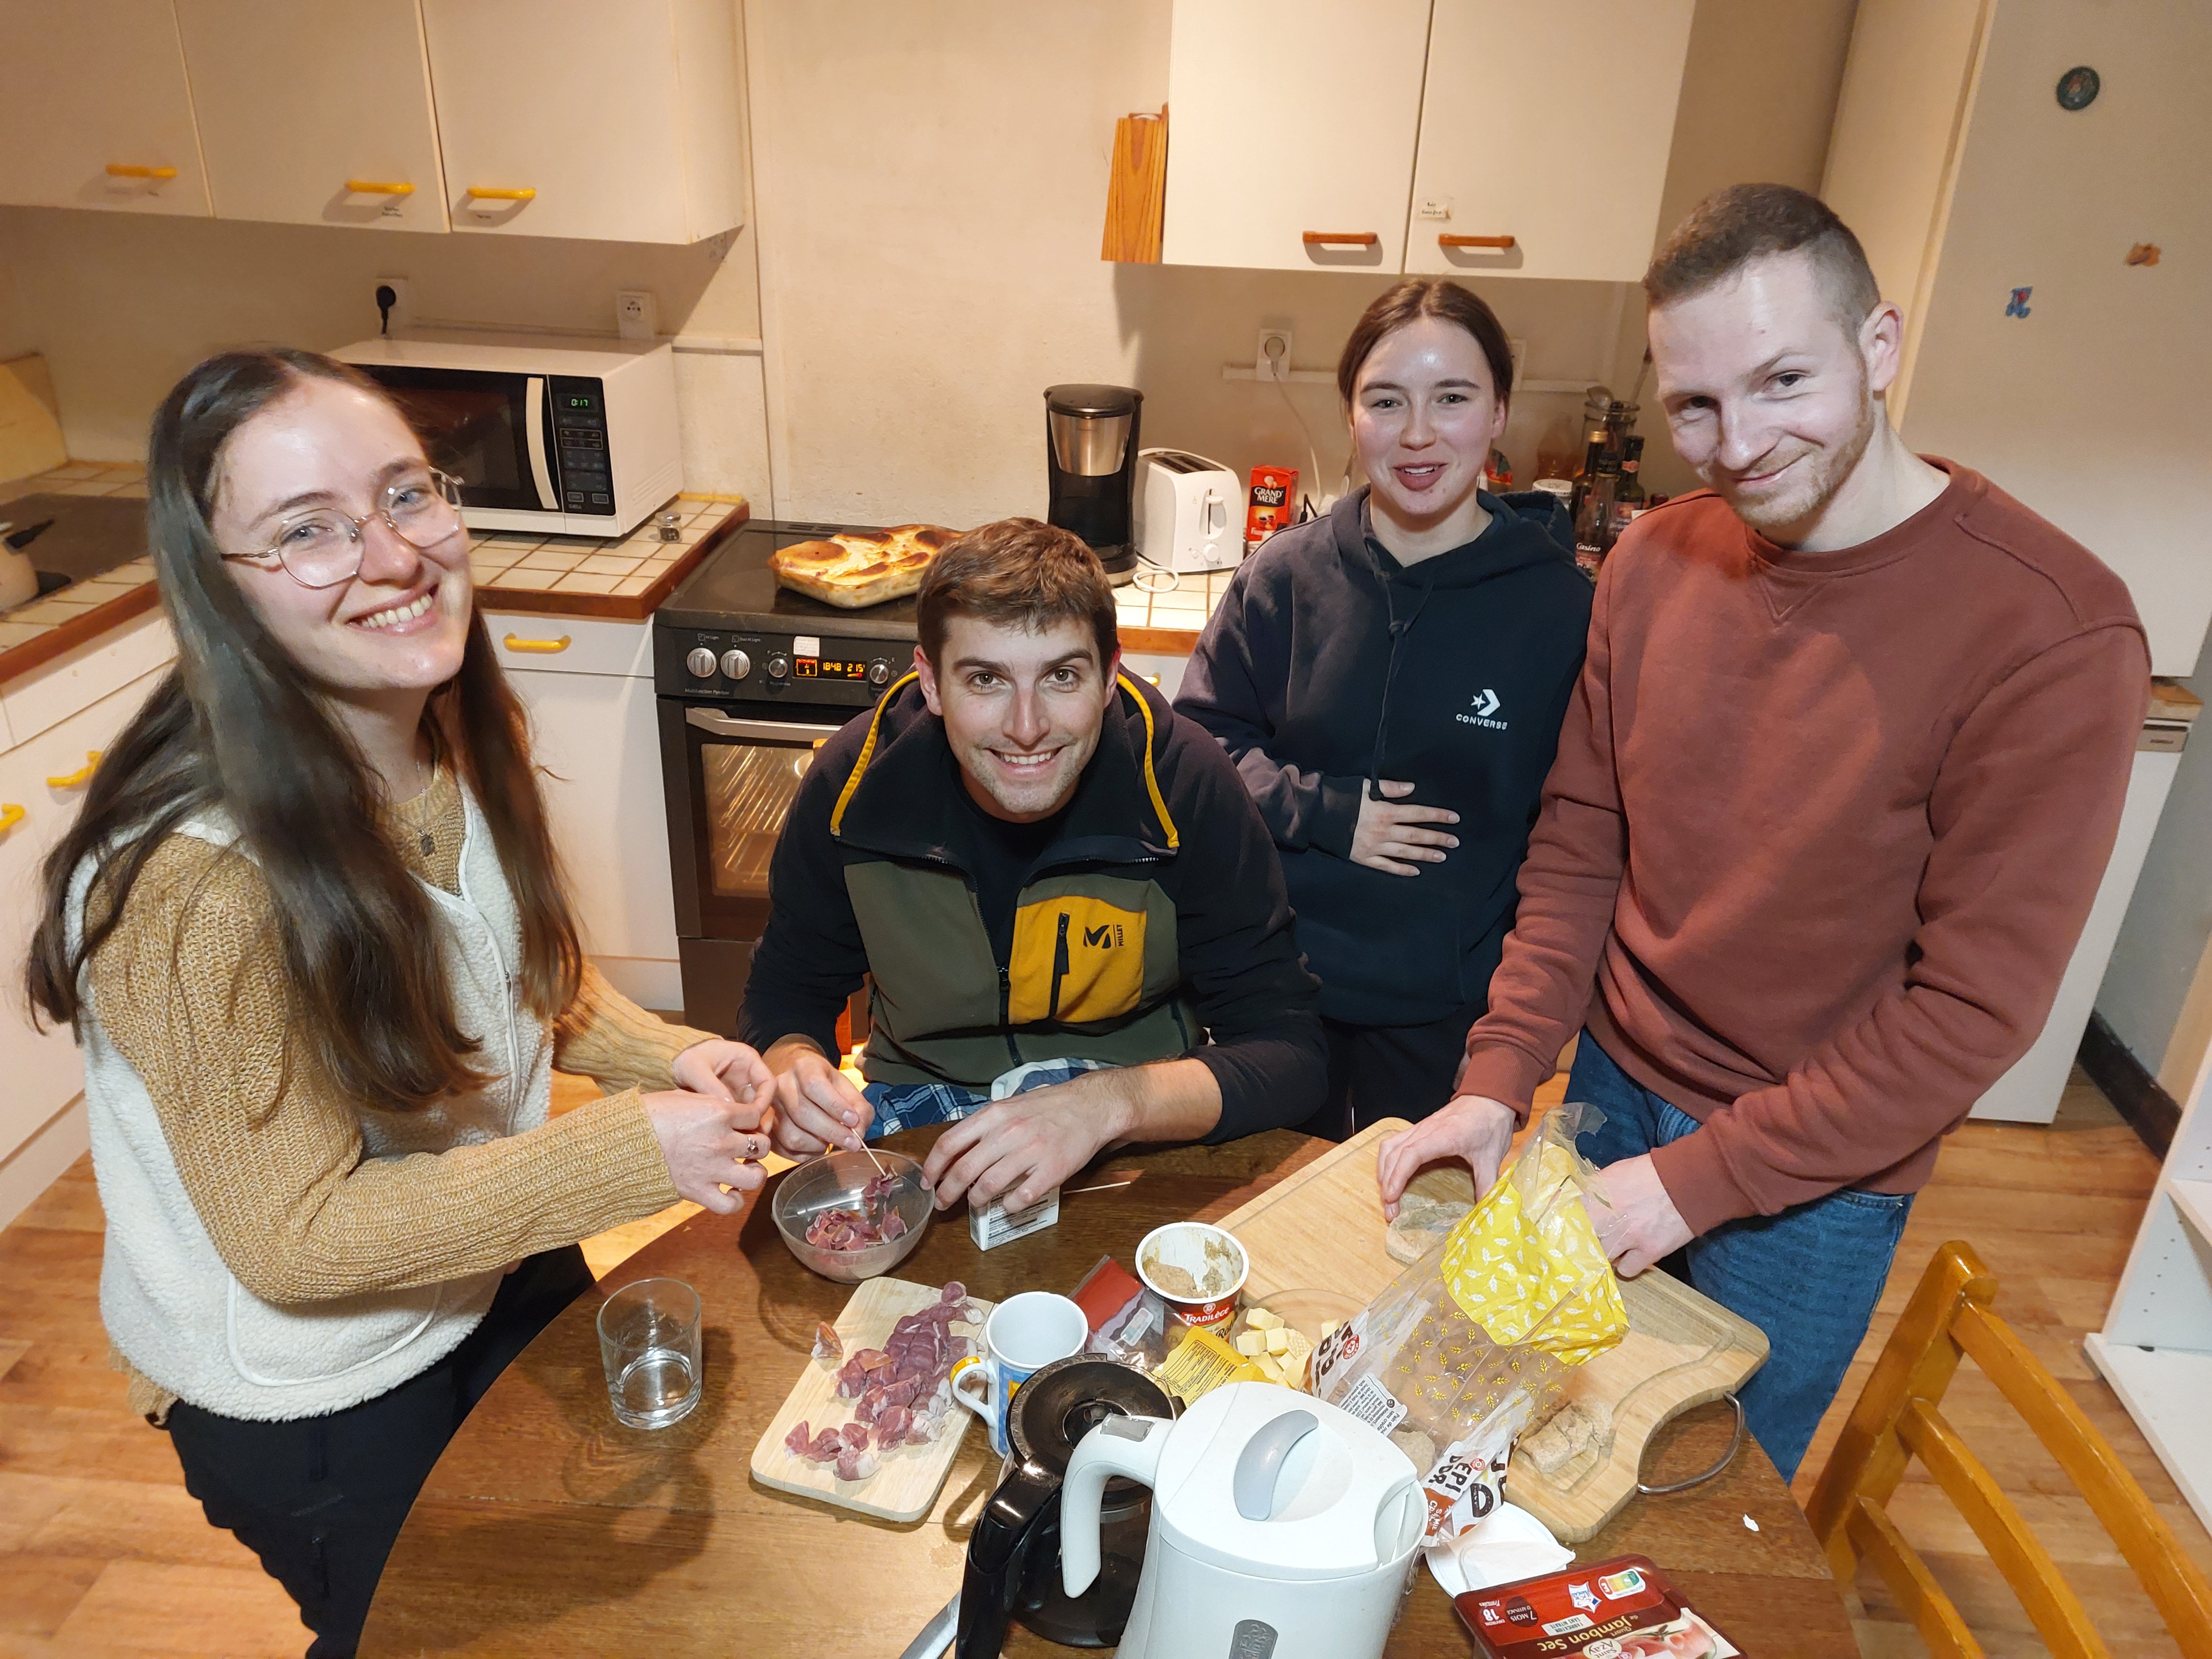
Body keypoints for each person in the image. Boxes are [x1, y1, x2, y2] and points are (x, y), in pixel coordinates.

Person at [1374, 183, 2149, 1480]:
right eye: (1694, 404)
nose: (1736, 445)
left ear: (1879, 346)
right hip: (1611, 1088)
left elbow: (1971, 1010)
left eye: (1783, 380)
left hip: (1820, 1176)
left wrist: (1697, 1183)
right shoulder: (1652, 561)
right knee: (1531, 1452)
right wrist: (1497, 1074)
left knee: (1701, 1495)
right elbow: (1582, 844)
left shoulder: (2054, 629)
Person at [25, 349, 777, 1657]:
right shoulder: (194, 887)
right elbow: (295, 1239)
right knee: (424, 1633)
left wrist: (678, 1059)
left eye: (405, 494)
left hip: (489, 1261)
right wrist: (625, 1152)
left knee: (573, 1605)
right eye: (306, 530)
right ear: (218, 583)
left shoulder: (440, 729)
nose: (391, 555)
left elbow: (519, 975)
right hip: (320, 1392)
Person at [739, 517, 1328, 1211]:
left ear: (1109, 677)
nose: (1027, 727)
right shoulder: (852, 787)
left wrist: (1107, 1105)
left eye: (1062, 676)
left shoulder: (1185, 783)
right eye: (986, 679)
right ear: (931, 682)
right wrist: (792, 1066)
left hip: (1137, 1112)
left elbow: (1291, 1050)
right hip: (921, 1105)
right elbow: (785, 992)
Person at [1176, 278, 1590, 1140]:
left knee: (1412, 1217)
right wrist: (1328, 814)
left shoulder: (1561, 610)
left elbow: (1575, 841)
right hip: (1275, 992)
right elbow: (1200, 748)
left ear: (1500, 412)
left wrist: (1514, 1035)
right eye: (1386, 400)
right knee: (1264, 1207)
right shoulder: (1283, 577)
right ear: (1352, 415)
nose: (1417, 434)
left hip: (1450, 1012)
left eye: (1453, 398)